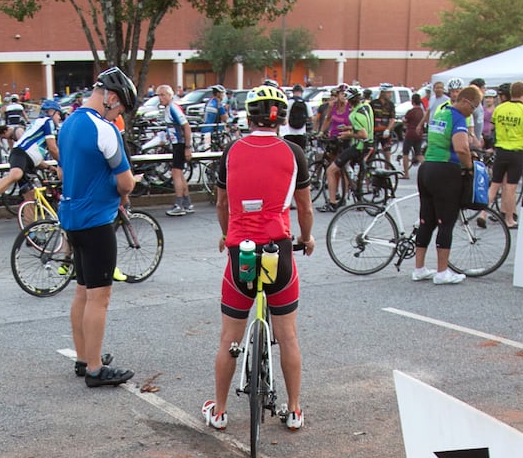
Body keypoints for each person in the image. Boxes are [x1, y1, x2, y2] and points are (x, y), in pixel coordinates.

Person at [205, 85, 315, 434]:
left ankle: (219, 411)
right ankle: (294, 409)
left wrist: (226, 234)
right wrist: (306, 238)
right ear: (280, 118)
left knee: (229, 340)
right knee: (288, 337)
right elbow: (305, 207)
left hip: (241, 253)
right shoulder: (294, 152)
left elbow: (222, 205)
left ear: (248, 115)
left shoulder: (232, 151)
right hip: (278, 252)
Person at [57, 66, 138, 388]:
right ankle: (94, 368)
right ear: (112, 98)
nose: (119, 116)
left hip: (72, 218)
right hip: (97, 221)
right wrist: (124, 187)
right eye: (121, 109)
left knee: (82, 291)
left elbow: (65, 173)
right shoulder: (104, 130)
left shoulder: (69, 124)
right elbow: (126, 182)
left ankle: (83, 356)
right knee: (99, 297)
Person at [411, 84, 479, 285]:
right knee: (446, 221)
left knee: (426, 220)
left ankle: (419, 268)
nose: (472, 112)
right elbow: (462, 148)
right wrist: (468, 168)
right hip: (445, 170)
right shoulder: (458, 118)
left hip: (427, 168)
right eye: (473, 107)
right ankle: (442, 272)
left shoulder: (440, 113)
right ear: (465, 101)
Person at [0, 98, 63, 205]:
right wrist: (63, 162)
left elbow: (34, 156)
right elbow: (53, 149)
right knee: (16, 174)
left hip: (27, 160)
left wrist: (48, 167)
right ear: (51, 112)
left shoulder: (40, 123)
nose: (60, 118)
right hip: (20, 154)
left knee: (30, 198)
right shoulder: (48, 121)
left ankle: (31, 222)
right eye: (58, 114)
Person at [489, 81, 523, 229]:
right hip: (516, 151)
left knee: (495, 184)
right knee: (510, 187)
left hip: (501, 150)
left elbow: (492, 127)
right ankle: (509, 219)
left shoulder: (499, 108)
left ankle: (482, 212)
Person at [323, 84, 371, 210]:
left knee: (331, 170)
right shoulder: (366, 107)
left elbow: (363, 134)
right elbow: (365, 128)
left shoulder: (354, 115)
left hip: (358, 147)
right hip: (368, 145)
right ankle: (358, 197)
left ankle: (332, 202)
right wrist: (349, 128)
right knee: (350, 170)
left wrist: (348, 135)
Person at [158, 86, 196, 216]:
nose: (160, 98)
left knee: (176, 173)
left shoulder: (173, 108)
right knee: (178, 174)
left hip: (180, 144)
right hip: (176, 144)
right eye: (159, 95)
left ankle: (179, 204)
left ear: (170, 95)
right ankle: (187, 203)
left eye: (163, 95)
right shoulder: (168, 108)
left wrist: (187, 147)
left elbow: (186, 127)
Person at [401, 92, 426, 178]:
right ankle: (427, 168)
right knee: (418, 154)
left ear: (412, 101)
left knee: (405, 153)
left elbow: (404, 120)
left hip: (410, 133)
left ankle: (406, 174)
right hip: (419, 134)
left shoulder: (411, 112)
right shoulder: (422, 112)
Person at [281, 84, 310, 150]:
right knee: (300, 153)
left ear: (293, 92)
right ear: (302, 92)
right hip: (301, 133)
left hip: (288, 132)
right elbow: (311, 117)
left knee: (289, 152)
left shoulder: (287, 102)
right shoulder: (305, 103)